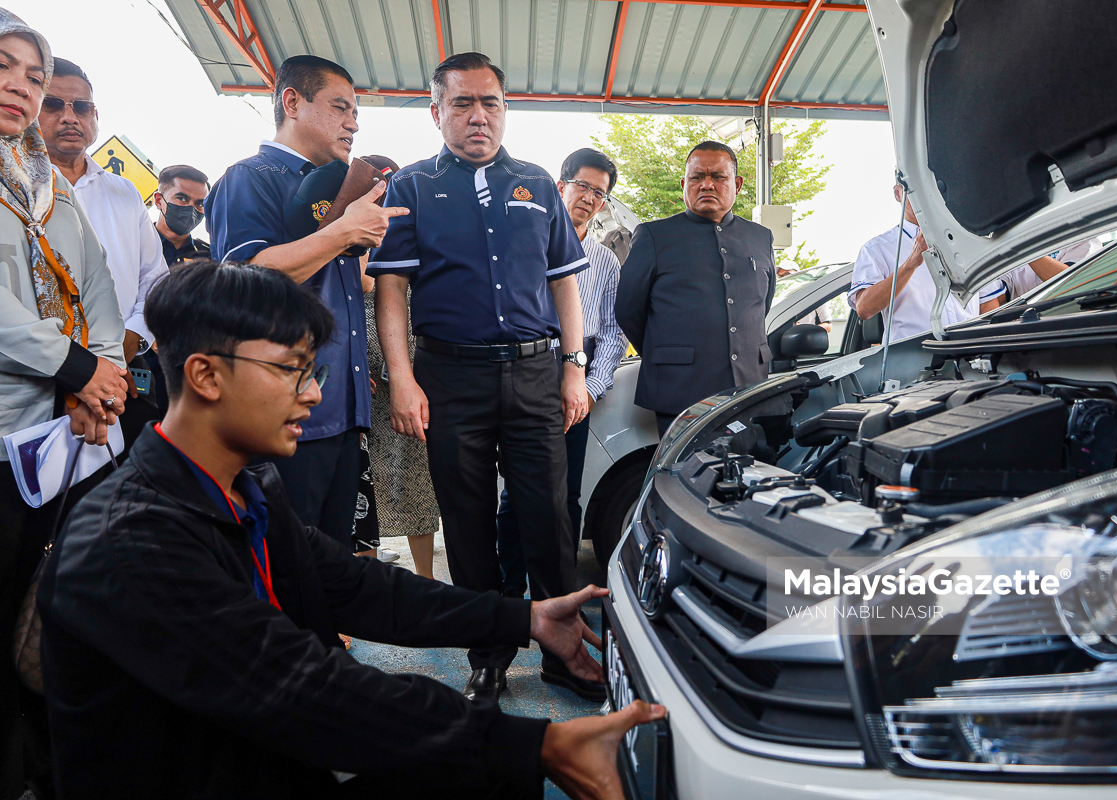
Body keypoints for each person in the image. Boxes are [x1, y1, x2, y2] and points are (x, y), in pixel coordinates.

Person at [36, 260, 665, 800]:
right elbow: (298, 688)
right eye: (291, 370)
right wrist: (538, 743)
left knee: (480, 772)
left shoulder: (246, 491)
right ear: (205, 376)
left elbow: (357, 587)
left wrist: (523, 620)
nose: (312, 394)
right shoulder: (133, 540)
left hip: (270, 769)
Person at [369, 52, 595, 703]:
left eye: (489, 102)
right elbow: (391, 293)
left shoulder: (537, 185)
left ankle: (565, 650)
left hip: (535, 374)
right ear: (436, 111)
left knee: (548, 520)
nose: (478, 116)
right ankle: (488, 652)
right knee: (466, 526)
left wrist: (573, 369)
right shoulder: (410, 188)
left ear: (504, 108)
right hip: (450, 378)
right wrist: (405, 380)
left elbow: (565, 288)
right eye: (462, 103)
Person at [0, 12, 126, 798]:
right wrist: (76, 365)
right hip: (9, 425)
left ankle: (41, 765)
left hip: (66, 436)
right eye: (4, 67)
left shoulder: (48, 183)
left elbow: (103, 290)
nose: (19, 86)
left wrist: (103, 381)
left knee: (47, 608)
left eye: (32, 76)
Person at [205, 54, 404, 551]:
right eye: (340, 107)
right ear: (291, 102)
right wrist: (342, 232)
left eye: (356, 112)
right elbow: (243, 279)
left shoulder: (338, 187)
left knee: (330, 563)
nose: (353, 123)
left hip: (342, 409)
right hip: (282, 414)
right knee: (279, 566)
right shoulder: (250, 177)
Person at [496, 147, 626, 598]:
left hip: (576, 387)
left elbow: (612, 334)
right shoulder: (522, 246)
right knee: (515, 496)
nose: (590, 198)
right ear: (560, 186)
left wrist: (589, 388)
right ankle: (509, 599)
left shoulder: (606, 262)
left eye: (601, 193)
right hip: (522, 381)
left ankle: (557, 599)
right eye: (584, 186)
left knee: (565, 498)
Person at [39, 56, 169, 442]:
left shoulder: (123, 191)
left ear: (95, 116)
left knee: (113, 492)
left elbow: (155, 280)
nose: (69, 117)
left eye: (81, 107)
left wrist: (124, 346)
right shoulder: (13, 189)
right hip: (37, 380)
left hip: (123, 374)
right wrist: (81, 371)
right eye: (52, 104)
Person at [615, 141, 776, 438]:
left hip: (749, 386)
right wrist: (670, 353)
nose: (706, 185)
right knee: (686, 477)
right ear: (683, 184)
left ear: (737, 184)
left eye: (718, 177)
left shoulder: (760, 237)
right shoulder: (654, 236)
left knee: (747, 477)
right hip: (681, 390)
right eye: (696, 177)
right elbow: (627, 310)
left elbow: (761, 305)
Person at [362, 256, 439, 578]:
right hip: (364, 404)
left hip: (411, 398)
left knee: (417, 488)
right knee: (364, 496)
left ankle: (426, 577)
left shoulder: (407, 287)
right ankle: (368, 582)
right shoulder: (345, 295)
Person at [848, 181, 995, 342]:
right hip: (912, 360)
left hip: (967, 356)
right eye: (914, 190)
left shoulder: (967, 241)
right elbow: (864, 308)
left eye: (929, 189)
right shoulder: (877, 249)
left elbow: (987, 302)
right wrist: (911, 263)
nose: (923, 196)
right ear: (898, 194)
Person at [978, 237, 1103, 308]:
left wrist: (1023, 247)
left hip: (1067, 317)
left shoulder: (1086, 238)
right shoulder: (1014, 242)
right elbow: (991, 294)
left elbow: (1071, 282)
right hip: (1025, 323)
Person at [154, 164, 211, 267]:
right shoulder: (133, 245)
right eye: (182, 199)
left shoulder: (210, 259)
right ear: (158, 200)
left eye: (200, 204)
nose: (191, 208)